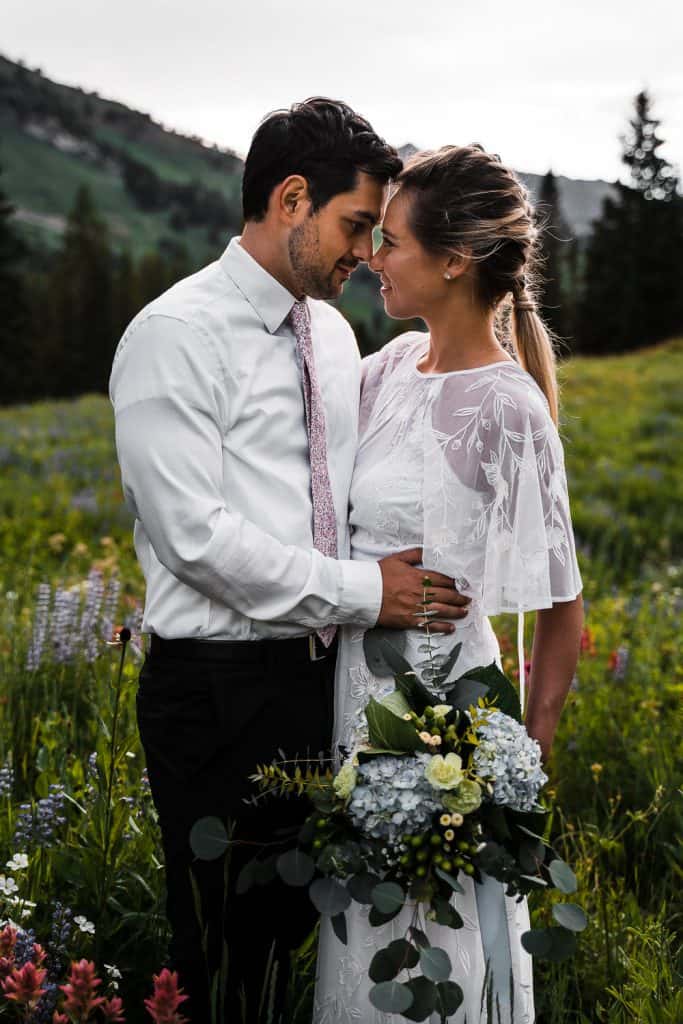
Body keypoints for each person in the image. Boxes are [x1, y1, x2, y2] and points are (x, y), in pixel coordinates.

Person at [109, 100, 470, 1023]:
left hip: (328, 688)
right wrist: (366, 593)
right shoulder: (174, 334)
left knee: (308, 954)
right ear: (292, 198)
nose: (364, 252)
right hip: (216, 694)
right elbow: (195, 538)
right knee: (222, 956)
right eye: (355, 225)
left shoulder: (335, 335)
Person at [314, 144, 585, 1024]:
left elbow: (561, 605)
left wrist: (516, 766)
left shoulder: (510, 408)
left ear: (454, 260)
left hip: (445, 725)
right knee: (364, 939)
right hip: (355, 701)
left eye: (390, 242)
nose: (373, 258)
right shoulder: (388, 367)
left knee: (440, 952)